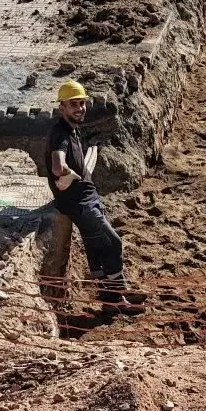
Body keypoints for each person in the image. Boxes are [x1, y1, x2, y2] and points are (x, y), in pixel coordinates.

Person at [38, 80, 133, 308]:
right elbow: (57, 166)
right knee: (112, 243)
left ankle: (108, 295)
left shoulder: (69, 128)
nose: (80, 108)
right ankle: (118, 294)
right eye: (74, 104)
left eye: (82, 103)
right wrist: (68, 174)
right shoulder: (60, 134)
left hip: (85, 198)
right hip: (80, 204)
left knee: (94, 243)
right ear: (62, 107)